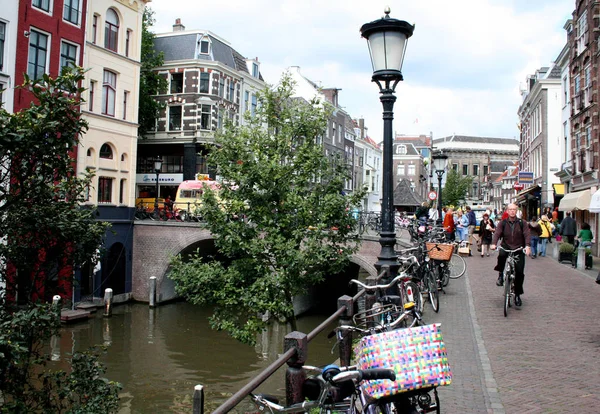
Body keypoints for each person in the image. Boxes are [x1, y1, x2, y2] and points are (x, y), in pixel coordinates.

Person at [491, 203, 531, 307]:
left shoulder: (523, 223)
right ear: (507, 211)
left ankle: (517, 295)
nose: (512, 211)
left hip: (518, 248)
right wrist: (494, 244)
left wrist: (527, 246)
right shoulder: (503, 223)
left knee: (519, 273)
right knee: (501, 256)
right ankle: (500, 276)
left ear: (516, 211)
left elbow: (527, 234)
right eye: (510, 209)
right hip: (506, 246)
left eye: (514, 209)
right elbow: (497, 233)